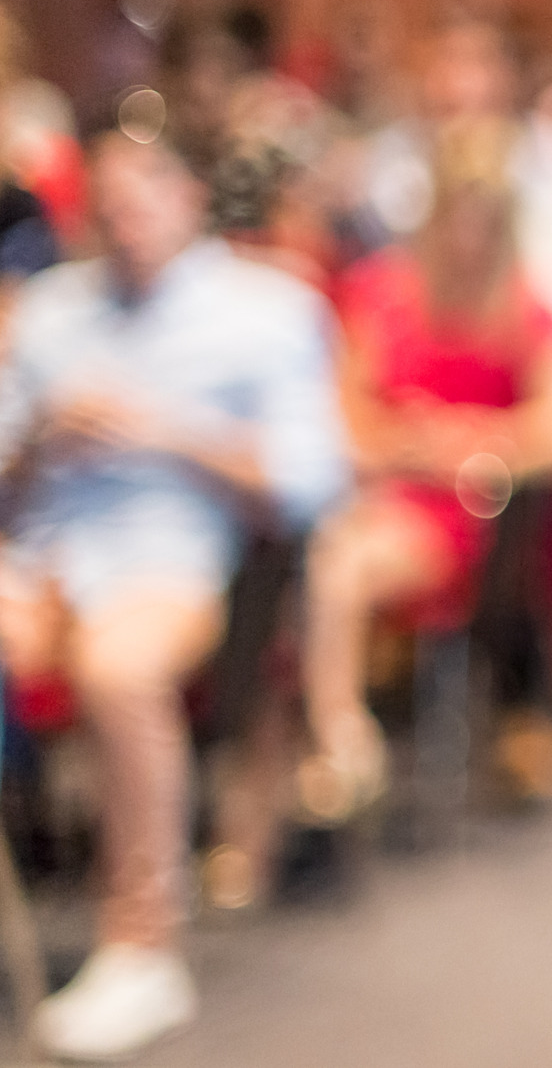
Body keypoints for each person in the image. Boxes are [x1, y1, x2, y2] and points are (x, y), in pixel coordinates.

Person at [0, 130, 345, 1060]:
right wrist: (39, 437)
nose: (127, 221)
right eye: (108, 205)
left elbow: (314, 482)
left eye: (145, 196)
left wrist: (168, 431)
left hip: (174, 562)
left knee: (117, 668)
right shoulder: (48, 312)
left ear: (190, 195)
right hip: (39, 557)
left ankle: (141, 945)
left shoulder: (269, 308)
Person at [297, 121, 552, 819]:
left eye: (484, 224)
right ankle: (339, 732)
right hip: (389, 494)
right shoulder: (383, 295)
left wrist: (475, 441)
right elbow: (346, 419)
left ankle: (343, 738)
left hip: (478, 517)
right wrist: (417, 442)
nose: (468, 240)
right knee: (331, 556)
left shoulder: (526, 307)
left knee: (340, 564)